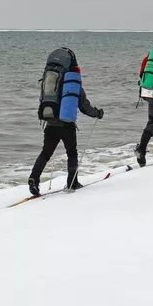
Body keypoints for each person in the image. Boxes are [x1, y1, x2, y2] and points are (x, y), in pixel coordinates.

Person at [29, 47, 104, 196]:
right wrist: (97, 113)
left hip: (50, 123)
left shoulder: (49, 78)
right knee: (72, 153)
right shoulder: (72, 82)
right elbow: (84, 106)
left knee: (45, 153)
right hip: (66, 125)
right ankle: (72, 182)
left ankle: (33, 179)